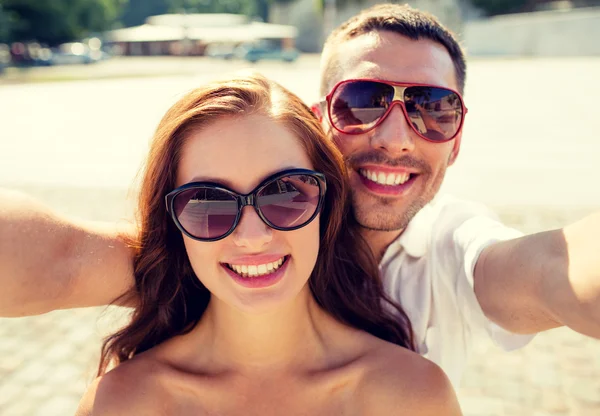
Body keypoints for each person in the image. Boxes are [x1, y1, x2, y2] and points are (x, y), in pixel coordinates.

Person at [0, 3, 598, 389]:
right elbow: (56, 262)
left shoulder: (448, 251)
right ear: (319, 123)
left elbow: (552, 271)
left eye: (433, 109)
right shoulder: (217, 238)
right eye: (362, 102)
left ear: (457, 140)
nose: (393, 137)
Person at [72, 73, 461, 415]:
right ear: (173, 223)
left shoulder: (412, 396)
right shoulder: (121, 403)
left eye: (285, 195)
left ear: (327, 203)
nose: (252, 236)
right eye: (209, 203)